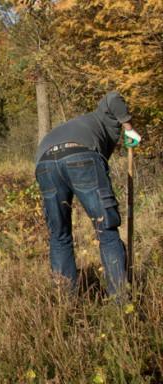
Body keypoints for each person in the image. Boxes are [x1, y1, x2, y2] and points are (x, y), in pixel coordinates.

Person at [35, 91, 141, 298]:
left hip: (45, 164)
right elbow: (113, 97)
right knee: (107, 231)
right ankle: (120, 304)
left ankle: (66, 302)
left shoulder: (81, 125)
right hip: (80, 157)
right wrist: (129, 127)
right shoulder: (101, 116)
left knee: (59, 235)